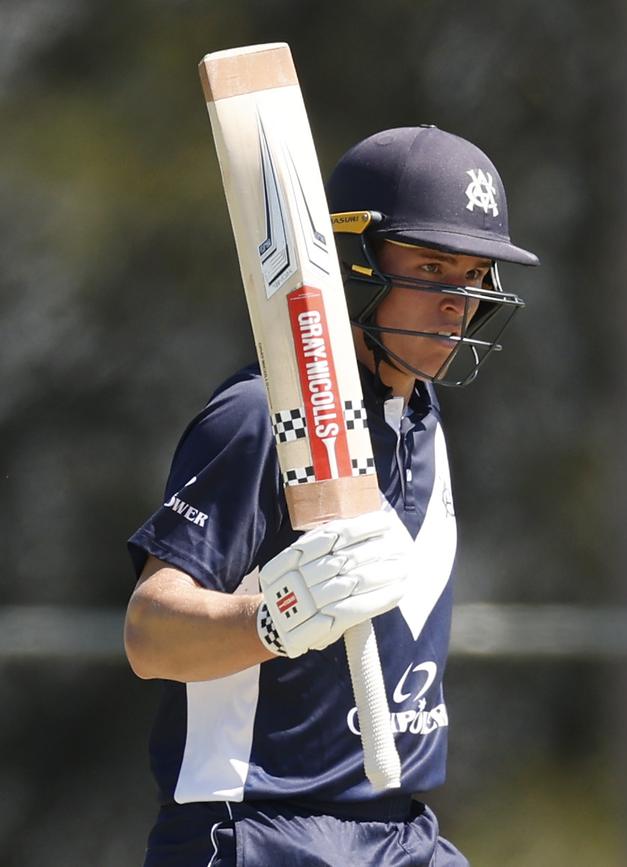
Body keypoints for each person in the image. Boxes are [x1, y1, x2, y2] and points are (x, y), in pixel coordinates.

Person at [124, 125, 539, 866]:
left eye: (475, 274)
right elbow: (150, 633)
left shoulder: (422, 421)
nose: (459, 301)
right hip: (254, 828)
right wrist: (274, 619)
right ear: (355, 262)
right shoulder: (258, 415)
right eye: (434, 266)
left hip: (400, 832)